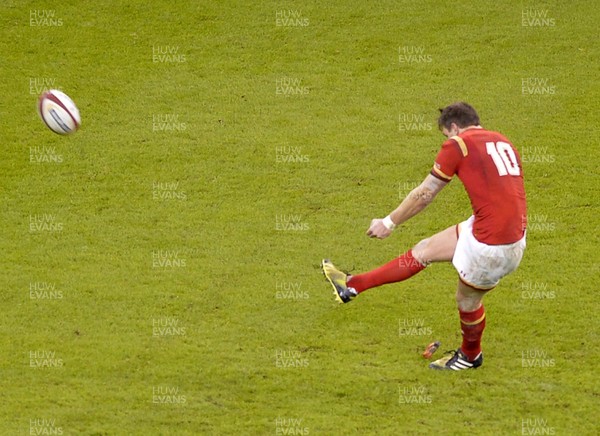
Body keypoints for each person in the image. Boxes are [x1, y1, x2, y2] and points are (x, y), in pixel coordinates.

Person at [322, 102, 527, 371]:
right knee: (424, 250)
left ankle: (470, 356)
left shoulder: (459, 144)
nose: (447, 141)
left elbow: (425, 194)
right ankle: (352, 285)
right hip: (500, 231)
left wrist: (389, 222)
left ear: (454, 127)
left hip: (492, 245)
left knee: (467, 301)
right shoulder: (502, 140)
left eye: (446, 135)